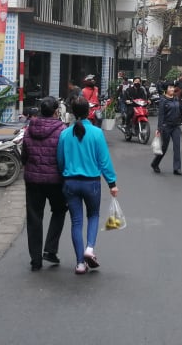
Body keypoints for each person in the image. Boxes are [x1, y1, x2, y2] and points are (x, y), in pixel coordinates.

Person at [57, 97, 118, 274]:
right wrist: (112, 183)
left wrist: (64, 176)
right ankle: (90, 249)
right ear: (89, 112)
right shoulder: (97, 133)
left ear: (72, 113)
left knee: (76, 222)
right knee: (93, 215)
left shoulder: (65, 133)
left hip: (70, 183)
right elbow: (104, 161)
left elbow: (60, 160)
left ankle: (80, 264)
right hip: (91, 183)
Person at [20, 97, 68, 271]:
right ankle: (50, 248)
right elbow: (65, 157)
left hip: (33, 180)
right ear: (56, 111)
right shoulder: (62, 130)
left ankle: (35, 260)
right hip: (55, 180)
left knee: (34, 218)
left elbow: (24, 156)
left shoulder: (29, 129)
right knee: (60, 210)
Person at [151, 83, 182, 176]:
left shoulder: (176, 99)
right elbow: (161, 115)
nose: (172, 89)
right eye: (170, 87)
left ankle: (177, 168)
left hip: (176, 127)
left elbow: (179, 111)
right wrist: (159, 128)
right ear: (166, 89)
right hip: (166, 126)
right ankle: (155, 163)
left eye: (173, 87)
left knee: (177, 147)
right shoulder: (163, 100)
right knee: (164, 148)